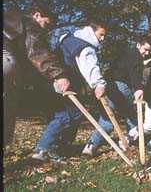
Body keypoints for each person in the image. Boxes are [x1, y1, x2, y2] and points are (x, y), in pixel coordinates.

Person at [32, 20, 108, 161]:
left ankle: (60, 148)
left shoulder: (70, 39)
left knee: (75, 115)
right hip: (63, 84)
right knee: (65, 116)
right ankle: (43, 148)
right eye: (101, 34)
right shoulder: (85, 47)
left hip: (56, 83)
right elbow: (90, 67)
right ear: (91, 30)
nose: (102, 39)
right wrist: (99, 84)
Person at [3, 3, 70, 147]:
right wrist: (59, 75)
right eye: (47, 23)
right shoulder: (29, 22)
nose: (46, 28)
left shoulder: (9, 20)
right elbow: (37, 52)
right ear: (37, 15)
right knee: (7, 109)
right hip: (5, 60)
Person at [83, 35, 151, 154]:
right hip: (121, 86)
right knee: (132, 114)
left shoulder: (124, 55)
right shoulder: (135, 55)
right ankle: (130, 141)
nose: (146, 53)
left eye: (149, 51)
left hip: (108, 86)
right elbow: (135, 72)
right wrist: (138, 88)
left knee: (107, 120)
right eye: (145, 49)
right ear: (138, 45)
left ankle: (90, 146)